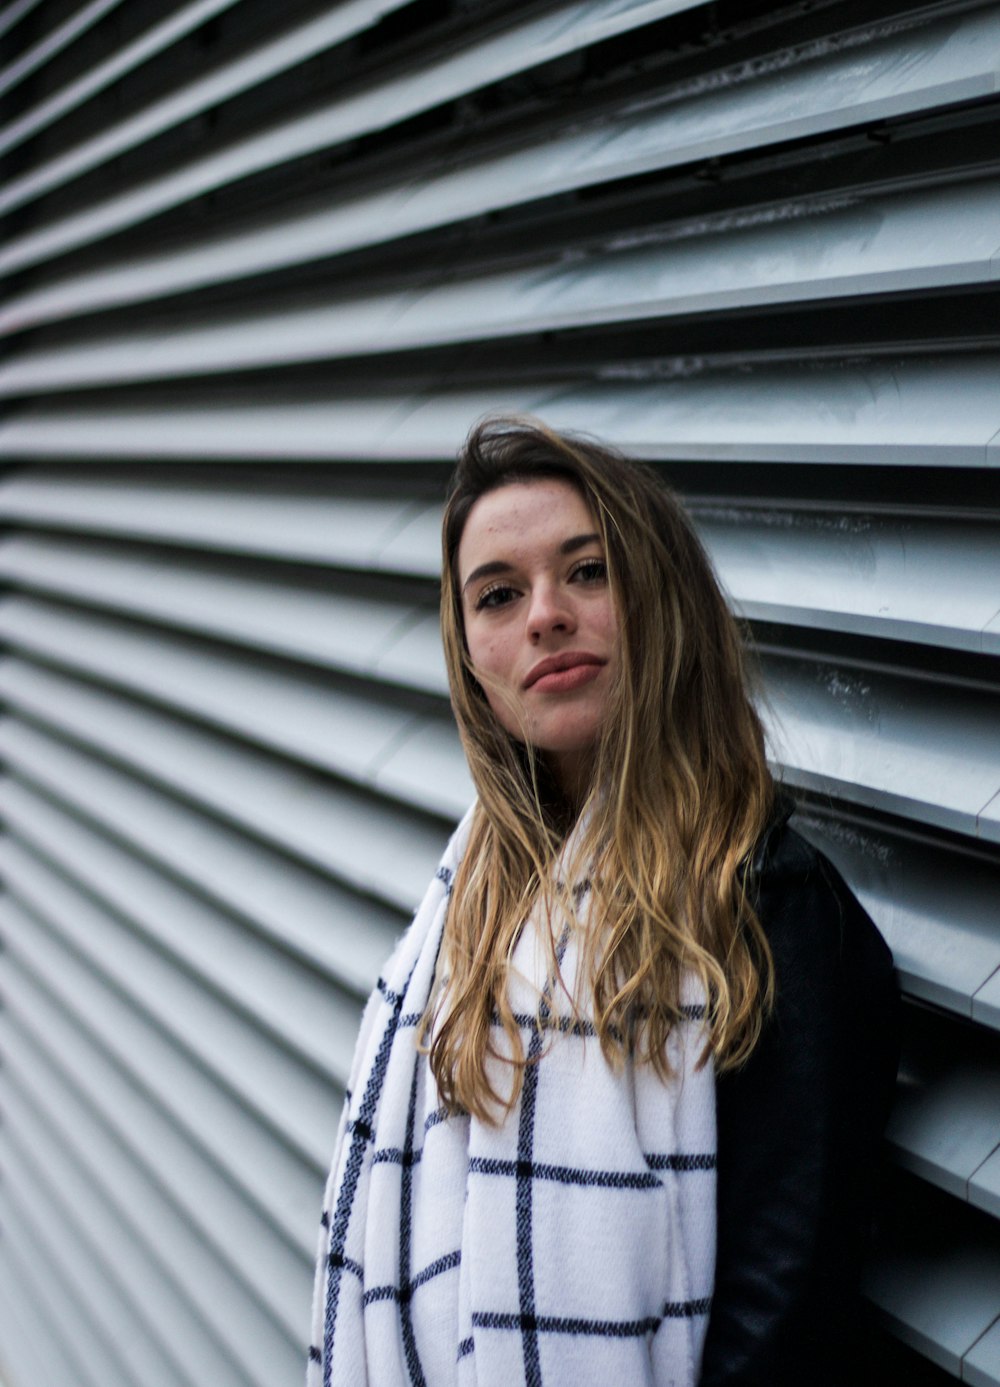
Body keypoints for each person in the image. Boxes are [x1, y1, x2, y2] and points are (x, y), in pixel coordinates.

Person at [308, 416, 900, 1387]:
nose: (544, 614)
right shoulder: (463, 923)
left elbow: (785, 1329)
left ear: (659, 597)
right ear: (471, 661)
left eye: (587, 572)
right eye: (498, 594)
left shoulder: (766, 908)